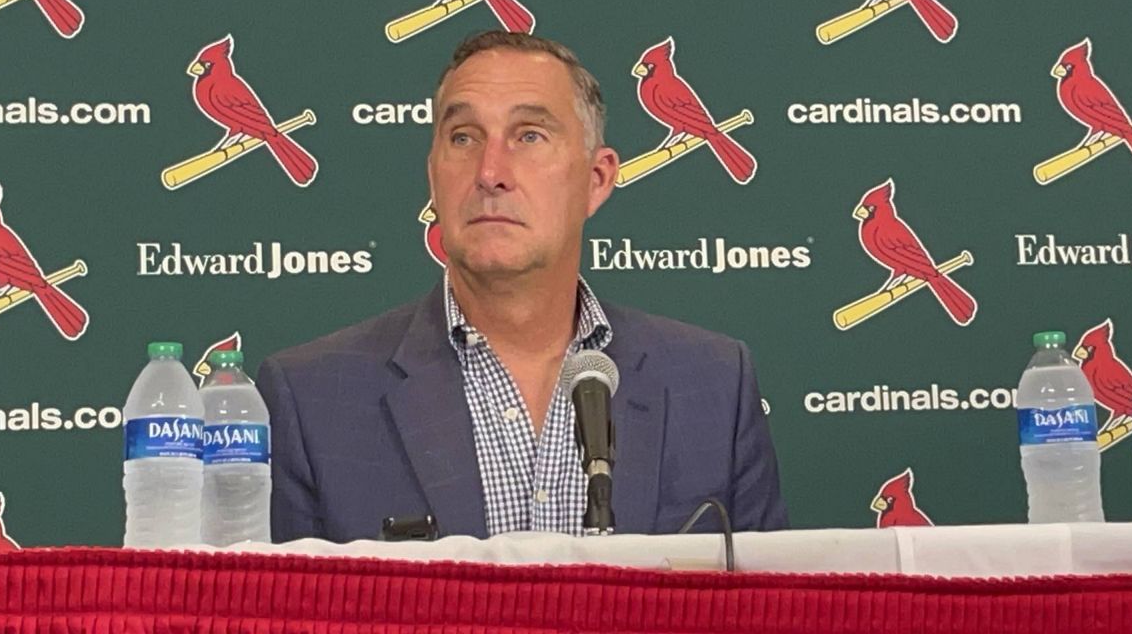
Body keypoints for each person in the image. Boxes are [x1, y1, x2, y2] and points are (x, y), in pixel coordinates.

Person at [256, 31, 787, 542]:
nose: (490, 172)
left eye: (529, 136)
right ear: (433, 175)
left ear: (596, 179)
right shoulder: (312, 398)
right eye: (463, 138)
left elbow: (767, 617)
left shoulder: (714, 385)